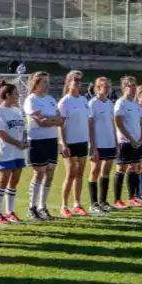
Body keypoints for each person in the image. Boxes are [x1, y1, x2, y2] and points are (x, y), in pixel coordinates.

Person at [23, 71, 64, 220]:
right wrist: (51, 120)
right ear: (36, 83)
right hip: (37, 140)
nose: (47, 84)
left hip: (52, 140)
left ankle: (42, 206)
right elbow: (40, 122)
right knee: (39, 173)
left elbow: (61, 120)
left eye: (48, 81)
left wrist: (49, 119)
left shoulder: (51, 99)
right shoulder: (31, 100)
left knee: (50, 173)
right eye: (44, 82)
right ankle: (31, 207)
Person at [0, 81, 29, 223]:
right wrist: (18, 143)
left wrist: (24, 140)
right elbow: (1, 133)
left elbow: (23, 128)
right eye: (15, 94)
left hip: (18, 152)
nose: (18, 96)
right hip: (4, 151)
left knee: (14, 181)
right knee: (2, 181)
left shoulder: (17, 111)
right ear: (7, 95)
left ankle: (10, 211)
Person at [58, 71, 92, 215]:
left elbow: (88, 122)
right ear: (68, 82)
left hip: (82, 141)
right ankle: (64, 206)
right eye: (75, 80)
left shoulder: (84, 100)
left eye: (80, 80)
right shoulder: (65, 102)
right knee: (70, 173)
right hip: (70, 142)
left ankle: (77, 203)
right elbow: (60, 125)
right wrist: (64, 144)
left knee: (80, 173)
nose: (78, 82)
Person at [87, 76, 118, 213]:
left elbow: (112, 123)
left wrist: (116, 142)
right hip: (98, 143)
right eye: (104, 86)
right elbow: (90, 125)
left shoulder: (110, 104)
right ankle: (93, 203)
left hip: (110, 141)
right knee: (94, 171)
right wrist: (93, 146)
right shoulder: (92, 103)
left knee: (106, 172)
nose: (107, 89)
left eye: (108, 87)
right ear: (97, 88)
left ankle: (103, 201)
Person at [113, 76, 142, 208]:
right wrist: (130, 139)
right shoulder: (121, 103)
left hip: (136, 142)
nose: (134, 87)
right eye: (131, 85)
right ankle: (117, 199)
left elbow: (140, 122)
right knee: (121, 169)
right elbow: (119, 123)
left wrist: (141, 137)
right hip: (124, 142)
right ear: (124, 87)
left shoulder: (136, 104)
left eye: (135, 85)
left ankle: (132, 197)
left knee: (135, 168)